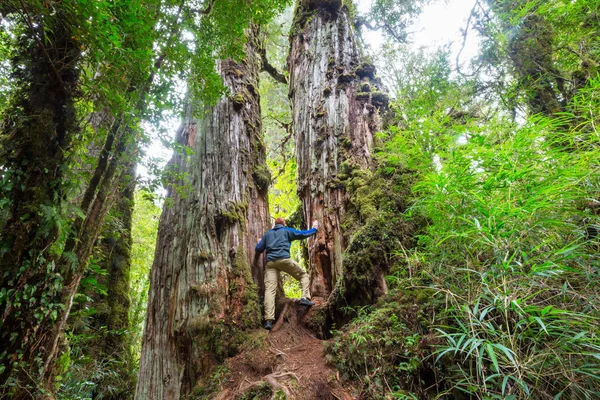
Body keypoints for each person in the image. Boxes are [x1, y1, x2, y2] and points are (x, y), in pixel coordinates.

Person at [255, 217, 319, 330]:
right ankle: (305, 297)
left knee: (270, 291)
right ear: (283, 224)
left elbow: (258, 248)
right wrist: (314, 229)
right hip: (284, 260)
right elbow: (302, 234)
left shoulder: (268, 234)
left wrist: (260, 241)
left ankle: (268, 320)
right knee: (303, 275)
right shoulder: (287, 231)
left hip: (270, 264)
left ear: (274, 225)